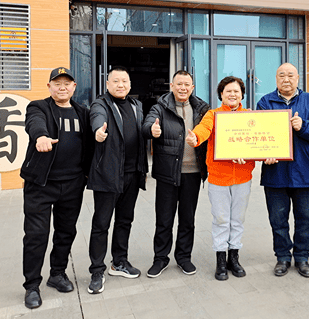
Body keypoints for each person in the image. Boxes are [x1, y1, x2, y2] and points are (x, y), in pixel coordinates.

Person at [20, 67, 92, 309]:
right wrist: (40, 136)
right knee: (36, 235)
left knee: (66, 232)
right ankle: (32, 285)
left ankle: (57, 273)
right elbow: (34, 124)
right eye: (57, 83)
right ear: (49, 86)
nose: (62, 87)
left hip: (73, 184)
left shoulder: (83, 112)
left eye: (67, 83)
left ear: (74, 87)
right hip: (41, 184)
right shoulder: (38, 107)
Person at [256, 63, 309, 278]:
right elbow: (258, 134)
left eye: (290, 75)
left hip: (305, 171)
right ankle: (283, 257)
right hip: (275, 172)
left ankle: (302, 257)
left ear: (298, 78)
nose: (286, 79)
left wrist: (302, 125)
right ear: (276, 78)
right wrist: (264, 153)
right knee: (278, 220)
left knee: (306, 218)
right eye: (281, 75)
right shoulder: (265, 102)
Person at [185, 76, 255, 281]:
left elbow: (259, 141)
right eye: (228, 91)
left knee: (238, 219)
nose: (232, 94)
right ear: (221, 95)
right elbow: (204, 129)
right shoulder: (213, 115)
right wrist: (195, 137)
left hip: (243, 176)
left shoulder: (249, 116)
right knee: (221, 219)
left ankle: (234, 257)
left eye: (236, 91)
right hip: (218, 177)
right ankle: (221, 259)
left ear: (242, 95)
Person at [142, 70, 210, 278]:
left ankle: (184, 257)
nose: (183, 88)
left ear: (192, 87)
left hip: (193, 172)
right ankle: (160, 258)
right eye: (179, 84)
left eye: (187, 84)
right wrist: (151, 131)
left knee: (187, 219)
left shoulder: (202, 109)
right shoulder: (160, 107)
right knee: (164, 219)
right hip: (167, 173)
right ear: (171, 86)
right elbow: (147, 125)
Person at [87, 66, 148, 294]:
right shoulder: (100, 104)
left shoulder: (136, 105)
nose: (120, 85)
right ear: (107, 84)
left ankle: (119, 262)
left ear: (130, 85)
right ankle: (97, 270)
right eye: (116, 81)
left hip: (132, 173)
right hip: (108, 174)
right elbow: (97, 119)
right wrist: (98, 132)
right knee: (101, 224)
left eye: (124, 81)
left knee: (125, 220)